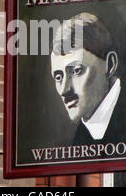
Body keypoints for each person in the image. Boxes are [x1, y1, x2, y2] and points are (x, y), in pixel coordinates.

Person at [50, 12, 120, 143]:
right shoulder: (79, 140)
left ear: (110, 65)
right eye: (58, 77)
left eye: (77, 71)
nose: (64, 90)